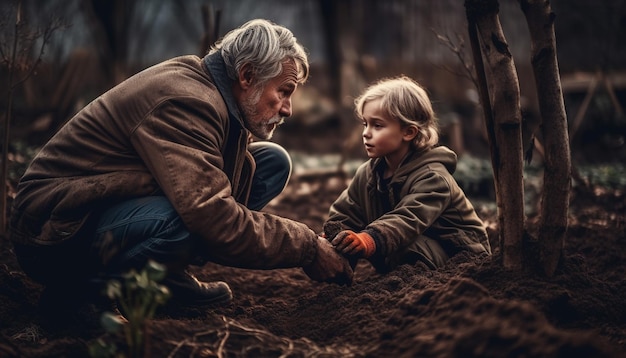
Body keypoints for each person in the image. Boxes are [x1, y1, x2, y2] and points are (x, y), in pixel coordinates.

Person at [9, 19, 353, 313]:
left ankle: (165, 275)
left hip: (104, 207)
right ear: (247, 75)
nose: (288, 108)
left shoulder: (216, 94)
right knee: (192, 220)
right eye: (284, 91)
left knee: (270, 162)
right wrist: (307, 247)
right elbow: (212, 215)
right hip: (54, 230)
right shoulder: (187, 102)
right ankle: (80, 294)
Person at [325, 76, 491, 272]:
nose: (366, 133)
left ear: (409, 132)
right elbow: (346, 212)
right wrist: (335, 244)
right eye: (365, 124)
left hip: (460, 258)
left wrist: (367, 240)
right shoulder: (368, 173)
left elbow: (408, 220)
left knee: (403, 245)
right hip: (409, 249)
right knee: (386, 245)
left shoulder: (433, 177)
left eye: (377, 125)